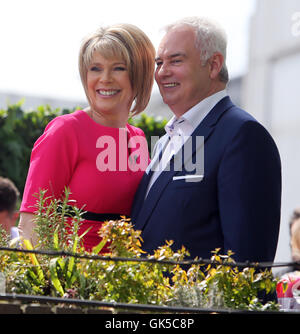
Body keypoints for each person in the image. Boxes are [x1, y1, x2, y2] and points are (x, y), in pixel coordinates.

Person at [131, 16, 282, 263]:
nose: (162, 72)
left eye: (175, 60)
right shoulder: (164, 141)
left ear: (213, 65)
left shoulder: (243, 136)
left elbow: (246, 265)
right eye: (159, 62)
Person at [18, 23, 155, 251]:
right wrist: (51, 284)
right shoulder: (66, 130)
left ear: (139, 74)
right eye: (95, 69)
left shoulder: (138, 138)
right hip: (72, 280)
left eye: (118, 68)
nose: (105, 78)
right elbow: (32, 225)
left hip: (124, 278)